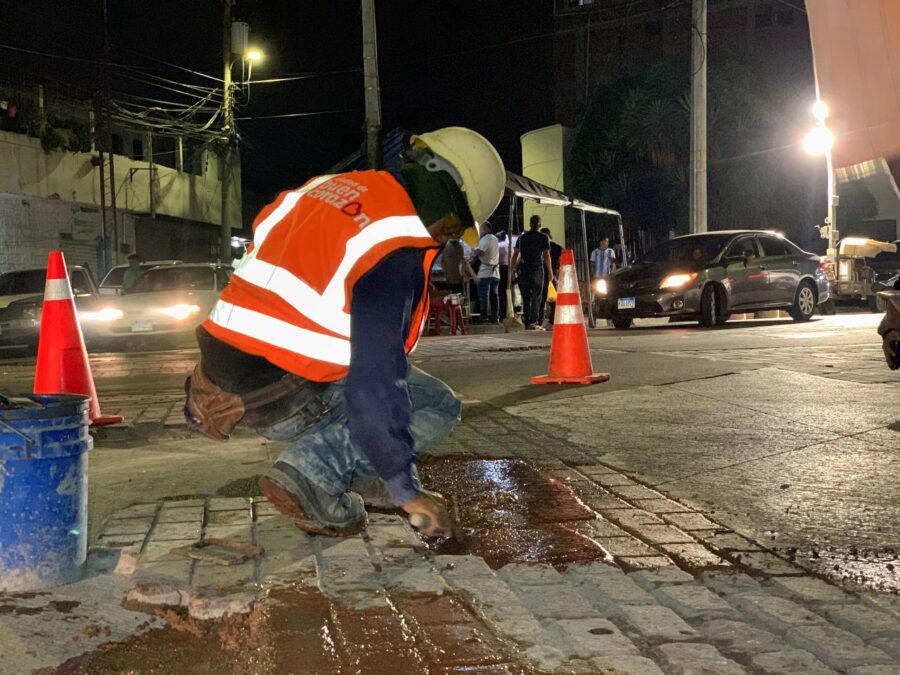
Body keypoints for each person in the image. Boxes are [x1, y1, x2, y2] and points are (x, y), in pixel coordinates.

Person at [184, 127, 506, 538]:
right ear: (439, 185)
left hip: (216, 374)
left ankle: (364, 473)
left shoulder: (331, 189)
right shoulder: (392, 249)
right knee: (436, 404)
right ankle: (311, 471)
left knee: (406, 396)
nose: (448, 236)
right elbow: (374, 386)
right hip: (285, 395)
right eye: (456, 223)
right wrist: (407, 492)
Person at [511, 215, 552, 330]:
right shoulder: (543, 237)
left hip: (524, 269)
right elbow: (546, 255)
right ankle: (534, 321)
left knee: (526, 297)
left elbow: (515, 255)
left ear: (530, 224)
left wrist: (512, 269)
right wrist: (550, 271)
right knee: (536, 297)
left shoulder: (522, 237)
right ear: (540, 225)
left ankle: (527, 321)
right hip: (537, 269)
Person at [473, 223, 500, 323]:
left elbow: (480, 252)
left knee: (484, 296)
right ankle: (495, 316)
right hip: (495, 272)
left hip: (485, 272)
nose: (479, 232)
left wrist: (473, 250)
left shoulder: (485, 239)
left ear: (484, 229)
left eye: (480, 230)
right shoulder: (495, 239)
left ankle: (484, 317)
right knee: (494, 295)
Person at [539, 227, 563, 325]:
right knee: (554, 298)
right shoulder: (559, 248)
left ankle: (539, 319)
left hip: (542, 274)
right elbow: (560, 263)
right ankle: (553, 319)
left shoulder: (540, 247)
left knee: (541, 298)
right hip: (554, 275)